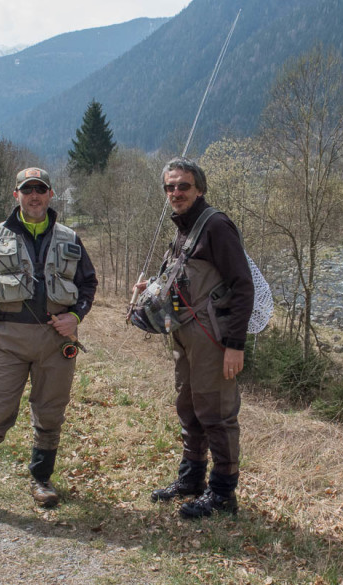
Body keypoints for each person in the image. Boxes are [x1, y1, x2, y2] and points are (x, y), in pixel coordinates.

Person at [0, 167, 97, 525]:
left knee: (50, 413)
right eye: (27, 189)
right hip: (7, 342)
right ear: (15, 195)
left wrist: (76, 318)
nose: (34, 196)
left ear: (51, 195)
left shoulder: (70, 237)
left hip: (56, 341)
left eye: (41, 189)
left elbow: (88, 284)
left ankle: (41, 479)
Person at [139, 157, 254, 518]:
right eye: (170, 187)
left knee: (216, 413)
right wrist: (151, 288)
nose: (175, 192)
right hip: (184, 335)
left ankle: (222, 495)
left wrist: (235, 345)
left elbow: (243, 286)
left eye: (183, 186)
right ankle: (191, 480)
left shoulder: (216, 226)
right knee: (189, 407)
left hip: (214, 338)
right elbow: (184, 279)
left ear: (199, 189)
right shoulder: (183, 227)